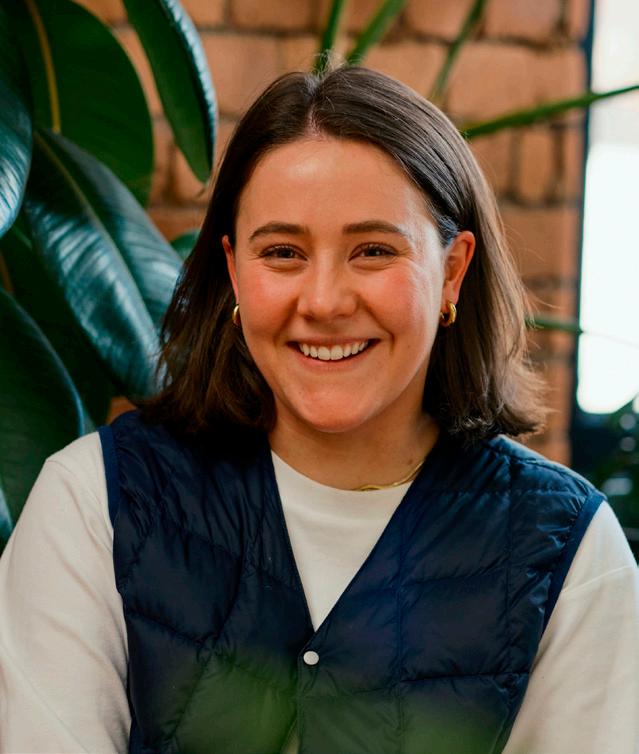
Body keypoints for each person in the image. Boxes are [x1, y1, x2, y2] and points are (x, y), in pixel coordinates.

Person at [0, 66, 637, 754]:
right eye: (282, 252)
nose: (325, 301)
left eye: (373, 251)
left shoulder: (569, 553)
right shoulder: (91, 504)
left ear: (452, 271)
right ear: (234, 270)